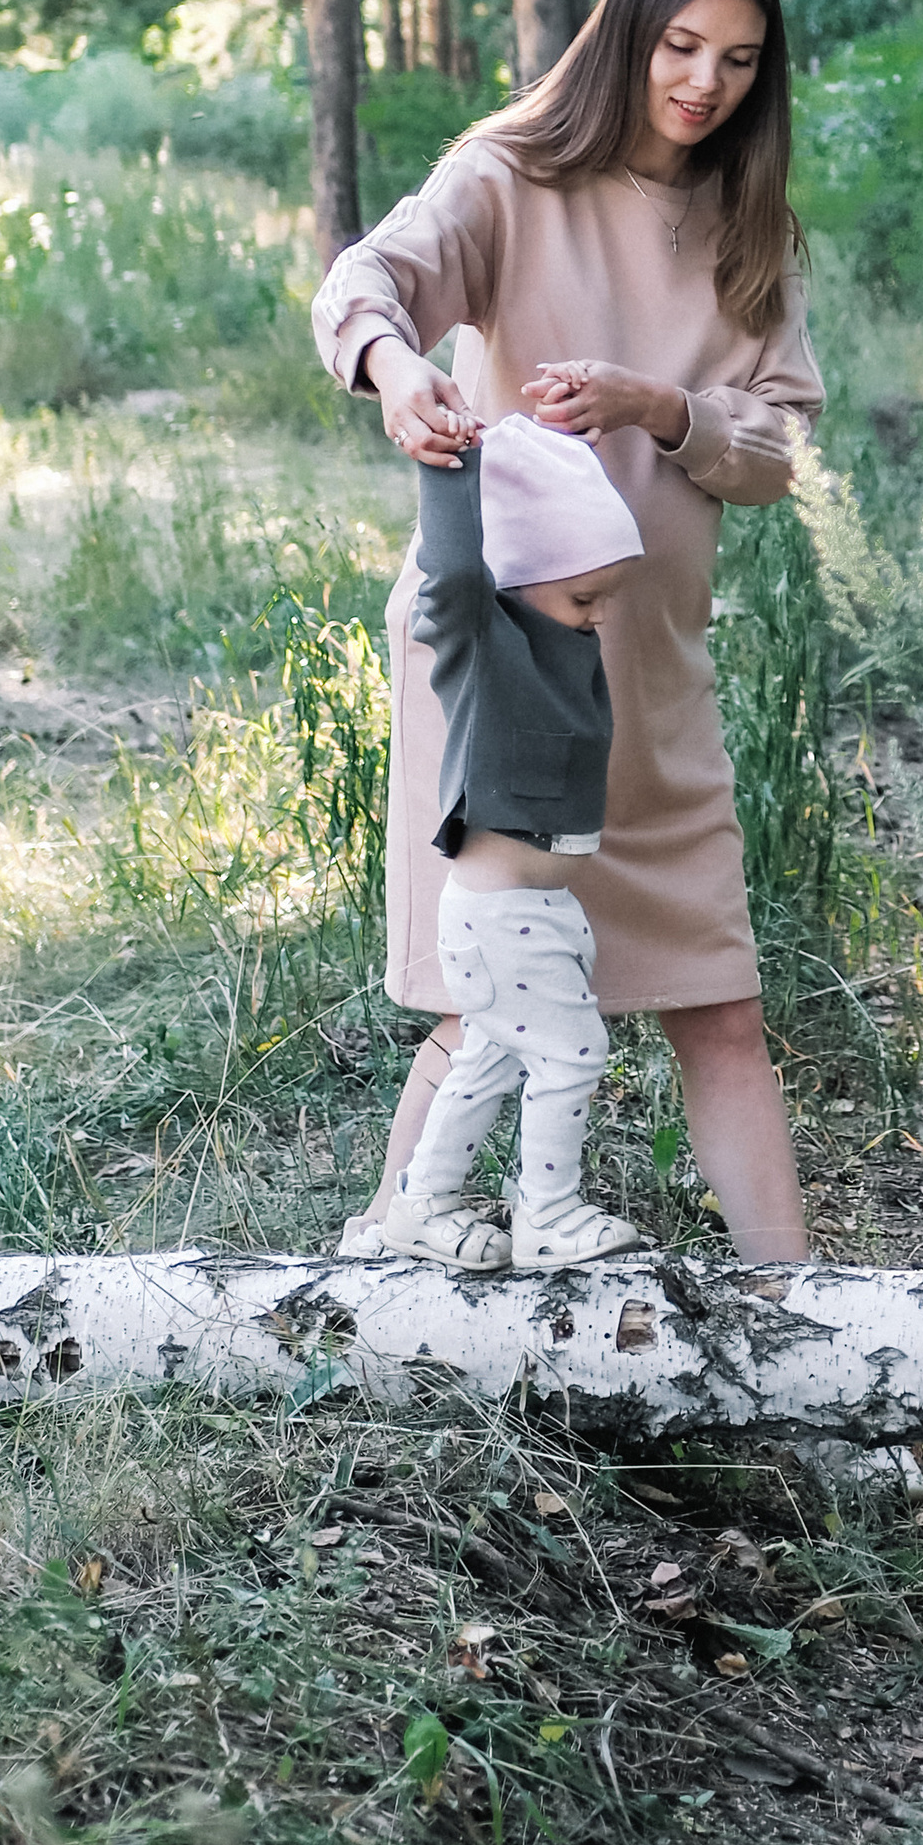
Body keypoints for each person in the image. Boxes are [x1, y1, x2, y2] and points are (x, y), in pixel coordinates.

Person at [313, 0, 823, 1262]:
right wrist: (394, 368)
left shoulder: (748, 229)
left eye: (738, 58)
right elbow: (368, 278)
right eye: (679, 43)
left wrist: (664, 407)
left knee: (719, 1005)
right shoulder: (509, 175)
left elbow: (778, 451)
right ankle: (378, 1290)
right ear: (626, 35)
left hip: (651, 680)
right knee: (485, 1008)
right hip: (506, 675)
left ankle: (819, 1332)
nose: (705, 81)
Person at [378, 412, 647, 1273]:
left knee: (489, 1061)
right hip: (501, 915)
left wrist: (572, 461)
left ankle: (421, 1207)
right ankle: (549, 1213)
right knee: (573, 1055)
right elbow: (456, 569)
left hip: (540, 911)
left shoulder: (563, 640)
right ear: (520, 578)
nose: (599, 614)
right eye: (583, 596)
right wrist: (454, 466)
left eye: (607, 594)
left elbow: (562, 525)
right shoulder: (482, 643)